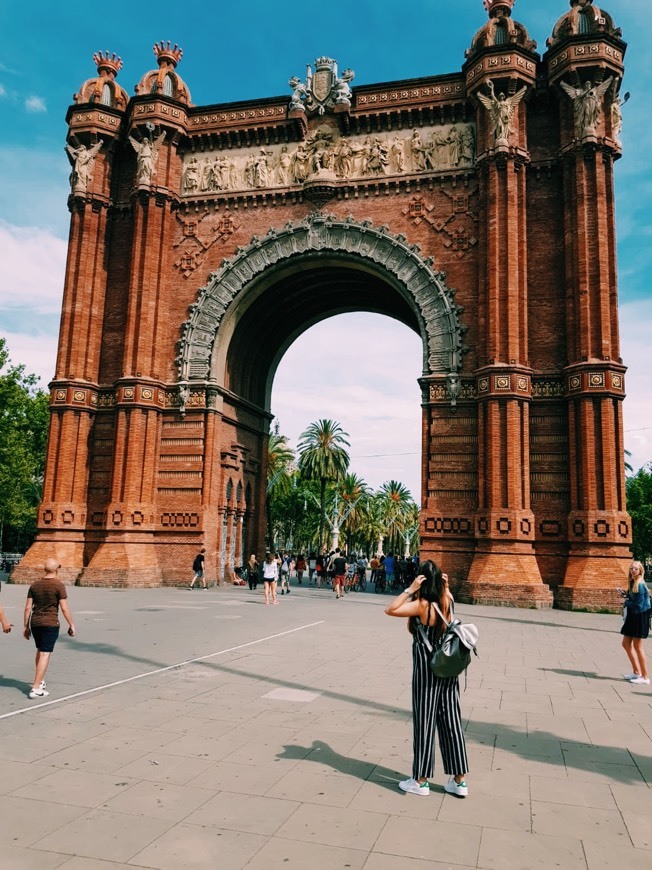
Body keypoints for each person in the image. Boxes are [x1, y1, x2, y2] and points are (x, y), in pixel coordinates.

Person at [385, 559, 469, 798]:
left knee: (425, 723)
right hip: (449, 671)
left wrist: (409, 589)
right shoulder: (447, 600)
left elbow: (390, 609)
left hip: (426, 672)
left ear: (421, 579)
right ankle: (459, 780)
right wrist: (447, 587)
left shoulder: (421, 606)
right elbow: (449, 605)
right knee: (452, 723)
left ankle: (420, 781)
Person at [23, 559, 76, 699]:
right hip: (50, 623)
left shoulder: (34, 585)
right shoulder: (58, 585)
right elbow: (64, 608)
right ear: (56, 570)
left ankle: (40, 681)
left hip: (35, 622)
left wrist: (25, 627)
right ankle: (35, 688)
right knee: (45, 653)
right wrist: (71, 624)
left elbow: (28, 608)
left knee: (40, 650)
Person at [619, 561, 651, 685]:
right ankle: (636, 671)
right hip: (633, 616)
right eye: (631, 568)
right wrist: (625, 595)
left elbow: (638, 605)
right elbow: (634, 598)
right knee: (626, 644)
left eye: (636, 569)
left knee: (638, 646)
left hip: (640, 616)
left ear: (641, 571)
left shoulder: (641, 584)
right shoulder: (633, 582)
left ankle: (645, 676)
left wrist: (625, 602)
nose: (633, 570)